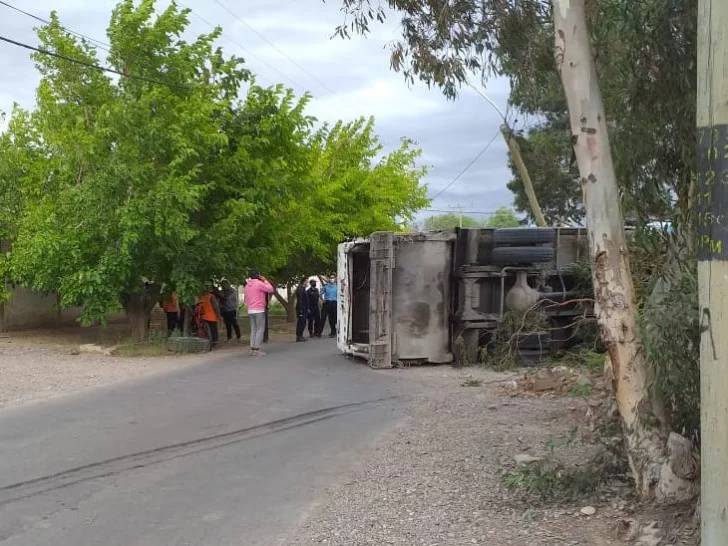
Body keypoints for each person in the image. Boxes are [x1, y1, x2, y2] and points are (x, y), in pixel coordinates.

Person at [243, 269, 274, 356]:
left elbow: (246, 297)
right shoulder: (259, 283)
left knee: (253, 329)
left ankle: (252, 348)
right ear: (258, 275)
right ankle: (256, 349)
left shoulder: (247, 285)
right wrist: (265, 280)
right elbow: (270, 289)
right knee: (260, 329)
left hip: (250, 309)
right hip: (259, 309)